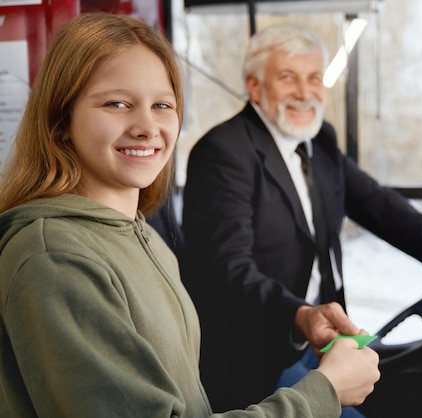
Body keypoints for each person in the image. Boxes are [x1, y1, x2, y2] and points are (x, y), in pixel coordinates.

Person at [0, 13, 379, 418]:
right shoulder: (56, 259)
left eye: (162, 104)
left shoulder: (142, 237)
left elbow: (379, 205)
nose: (147, 126)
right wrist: (324, 392)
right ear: (61, 122)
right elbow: (231, 266)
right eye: (117, 103)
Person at [182, 23, 422, 417]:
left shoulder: (318, 141)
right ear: (254, 87)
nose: (305, 93)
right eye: (287, 78)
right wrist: (300, 315)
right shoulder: (223, 152)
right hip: (261, 355)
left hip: (325, 340)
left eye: (313, 78)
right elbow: (228, 268)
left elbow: (378, 205)